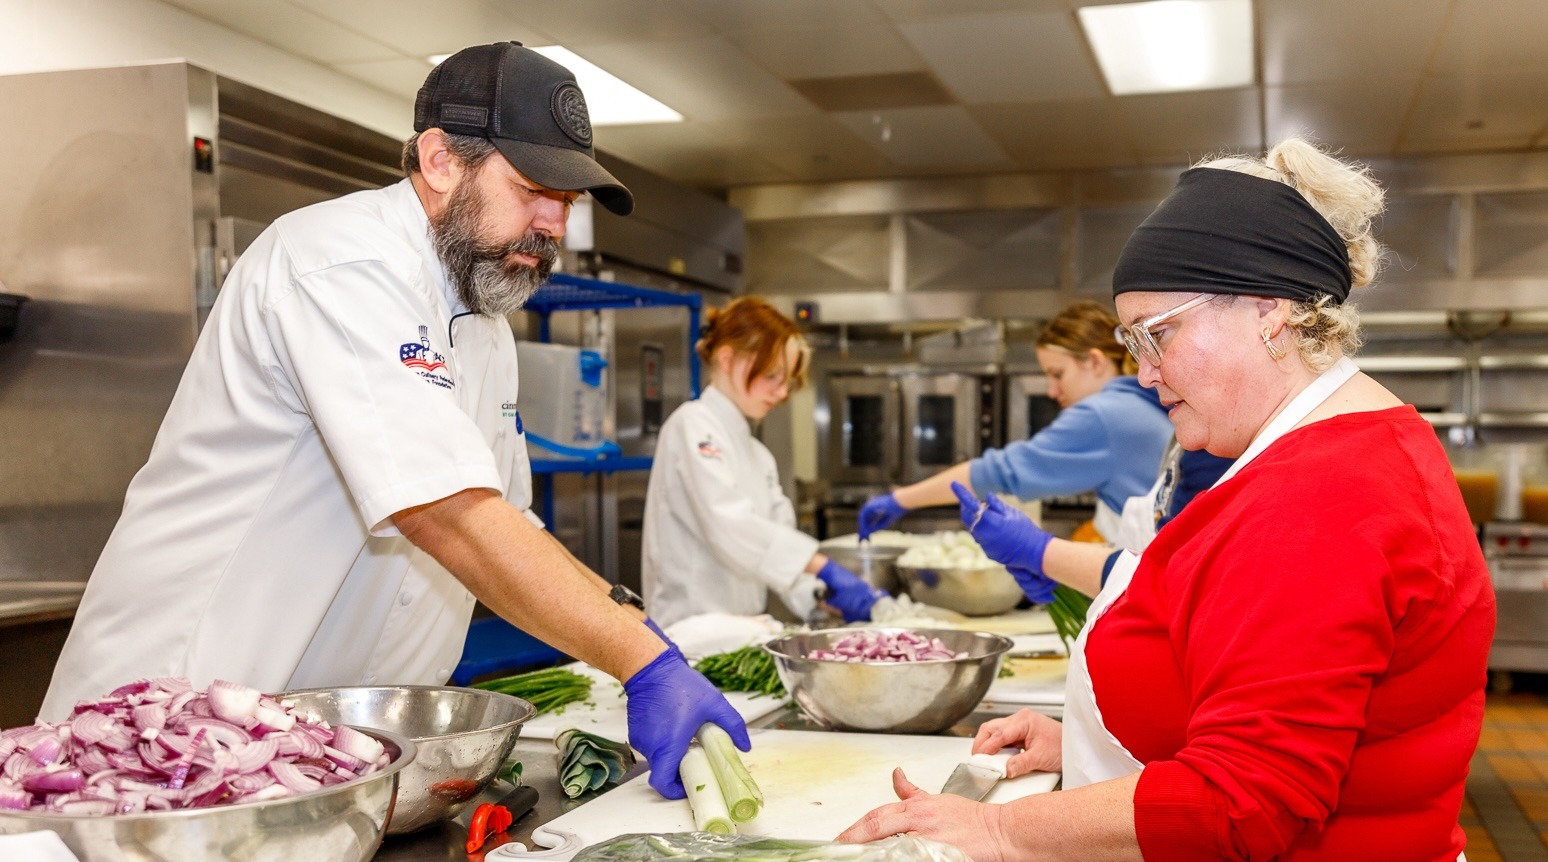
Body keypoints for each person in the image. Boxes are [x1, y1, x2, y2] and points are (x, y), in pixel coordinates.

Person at [39, 42, 742, 800]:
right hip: (170, 734)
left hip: (317, 759)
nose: (553, 226)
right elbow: (448, 513)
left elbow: (505, 517)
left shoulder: (486, 327)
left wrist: (629, 622)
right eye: (534, 187)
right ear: (440, 160)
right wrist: (640, 663)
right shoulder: (339, 264)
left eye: (566, 202)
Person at [838, 139, 1496, 860]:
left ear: (1268, 310)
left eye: (1159, 336)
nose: (1146, 376)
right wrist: (1095, 750)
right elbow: (1284, 711)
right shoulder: (1353, 447)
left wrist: (995, 828)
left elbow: (1242, 803)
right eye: (1131, 343)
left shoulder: (1320, 498)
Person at [643, 297, 886, 628]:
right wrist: (822, 567)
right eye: (772, 375)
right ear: (727, 359)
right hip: (688, 633)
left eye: (787, 380)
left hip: (743, 633)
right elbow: (730, 527)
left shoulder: (759, 454)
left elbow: (777, 540)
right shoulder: (692, 425)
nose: (782, 392)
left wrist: (822, 598)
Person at [856, 301, 1173, 547]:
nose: (1051, 391)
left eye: (1057, 374)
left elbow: (1000, 472)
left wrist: (900, 499)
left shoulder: (1104, 415)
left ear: (1095, 361)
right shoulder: (1141, 404)